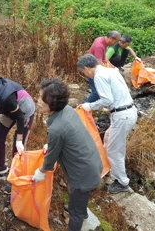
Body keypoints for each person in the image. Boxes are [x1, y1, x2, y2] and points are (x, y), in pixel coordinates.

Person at [32, 78, 102, 231]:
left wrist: (41, 171)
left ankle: (78, 214)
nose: (37, 101)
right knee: (77, 197)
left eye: (41, 99)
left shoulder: (57, 128)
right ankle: (77, 206)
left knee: (76, 213)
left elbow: (50, 158)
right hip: (90, 159)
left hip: (83, 171)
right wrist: (53, 143)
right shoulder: (67, 110)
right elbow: (67, 137)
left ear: (52, 103)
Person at [77, 54, 137, 194]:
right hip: (127, 111)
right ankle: (109, 168)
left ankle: (122, 182)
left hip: (122, 116)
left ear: (86, 68)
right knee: (108, 139)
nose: (86, 76)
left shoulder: (99, 76)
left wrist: (90, 106)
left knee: (114, 150)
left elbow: (107, 99)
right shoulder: (109, 70)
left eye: (84, 72)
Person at [84, 30, 120, 103]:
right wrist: (109, 72)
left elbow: (104, 58)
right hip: (91, 70)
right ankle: (82, 107)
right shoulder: (99, 46)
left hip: (94, 67)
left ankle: (93, 106)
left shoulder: (101, 39)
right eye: (115, 41)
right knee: (97, 93)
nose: (114, 44)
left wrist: (113, 67)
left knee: (99, 91)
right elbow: (99, 63)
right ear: (111, 38)